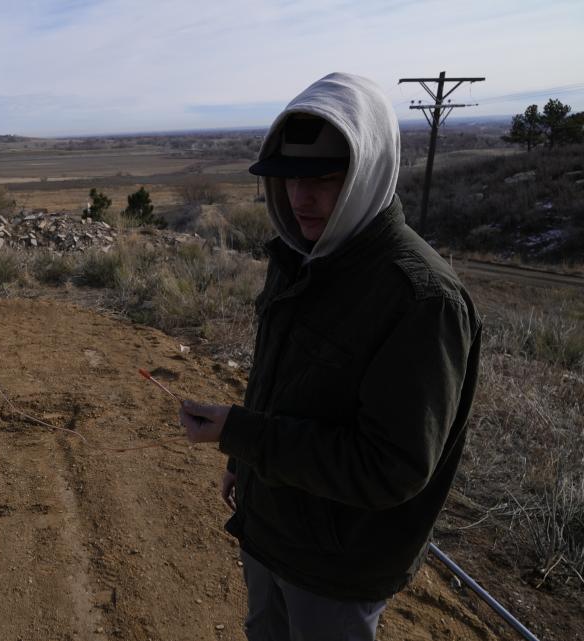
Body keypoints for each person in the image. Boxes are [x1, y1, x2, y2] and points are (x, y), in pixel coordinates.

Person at [179, 72, 482, 641]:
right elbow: (284, 383)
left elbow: (388, 467)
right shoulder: (304, 256)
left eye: (324, 177)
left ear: (368, 173)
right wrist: (243, 459)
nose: (301, 198)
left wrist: (244, 436)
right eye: (291, 178)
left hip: (337, 570)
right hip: (271, 531)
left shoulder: (420, 299)